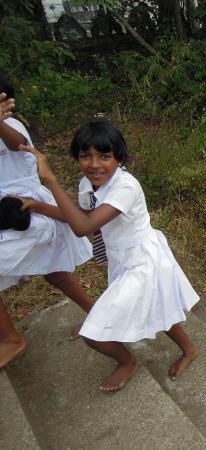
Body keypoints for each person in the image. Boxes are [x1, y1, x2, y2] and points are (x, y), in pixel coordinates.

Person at [20, 122, 199, 392]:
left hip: (143, 259)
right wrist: (40, 206)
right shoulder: (87, 184)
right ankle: (189, 348)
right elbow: (80, 218)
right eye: (85, 156)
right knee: (155, 303)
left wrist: (51, 180)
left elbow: (83, 227)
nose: (94, 164)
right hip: (121, 259)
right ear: (77, 158)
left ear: (119, 159)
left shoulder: (126, 187)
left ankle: (127, 363)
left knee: (93, 334)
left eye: (104, 157)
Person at [0, 78, 94, 369]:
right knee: (55, 271)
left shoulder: (12, 126)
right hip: (10, 211)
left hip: (29, 209)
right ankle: (95, 313)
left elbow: (18, 145)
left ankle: (11, 340)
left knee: (55, 268)